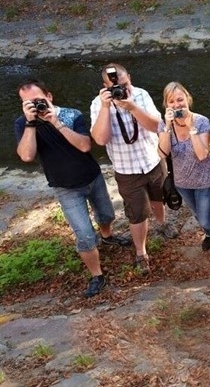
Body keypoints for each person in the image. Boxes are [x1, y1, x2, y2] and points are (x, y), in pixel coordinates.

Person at [15, 79, 132, 298]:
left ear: (49, 97)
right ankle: (97, 275)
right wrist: (31, 123)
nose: (35, 106)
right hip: (65, 187)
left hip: (92, 177)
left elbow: (85, 145)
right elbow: (27, 155)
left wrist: (55, 122)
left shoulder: (71, 114)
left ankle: (107, 236)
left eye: (38, 100)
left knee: (106, 214)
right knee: (85, 236)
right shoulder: (23, 124)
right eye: (28, 103)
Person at [90, 63, 178, 275]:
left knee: (158, 197)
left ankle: (161, 223)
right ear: (105, 86)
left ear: (129, 77)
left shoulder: (140, 95)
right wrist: (105, 108)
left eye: (124, 84)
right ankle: (141, 253)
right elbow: (100, 139)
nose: (122, 90)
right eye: (116, 87)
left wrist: (132, 107)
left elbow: (157, 126)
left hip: (152, 159)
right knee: (137, 213)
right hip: (126, 170)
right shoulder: (98, 104)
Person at [158, 82, 210, 256]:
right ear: (167, 105)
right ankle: (209, 234)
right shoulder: (165, 125)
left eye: (180, 99)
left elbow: (202, 154)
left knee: (204, 217)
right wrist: (167, 127)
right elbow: (162, 152)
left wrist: (192, 128)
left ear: (187, 99)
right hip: (182, 182)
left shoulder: (201, 121)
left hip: (204, 180)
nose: (177, 105)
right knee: (198, 215)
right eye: (171, 101)